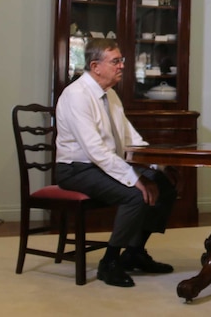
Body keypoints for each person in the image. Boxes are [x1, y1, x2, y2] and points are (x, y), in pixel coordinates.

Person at [55, 38, 177, 287]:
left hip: (101, 165)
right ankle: (109, 263)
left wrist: (155, 166)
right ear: (95, 66)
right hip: (76, 169)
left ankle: (134, 253)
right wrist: (135, 179)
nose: (122, 66)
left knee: (163, 184)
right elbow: (95, 151)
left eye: (122, 60)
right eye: (116, 61)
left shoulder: (110, 95)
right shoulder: (77, 95)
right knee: (134, 194)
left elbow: (131, 138)